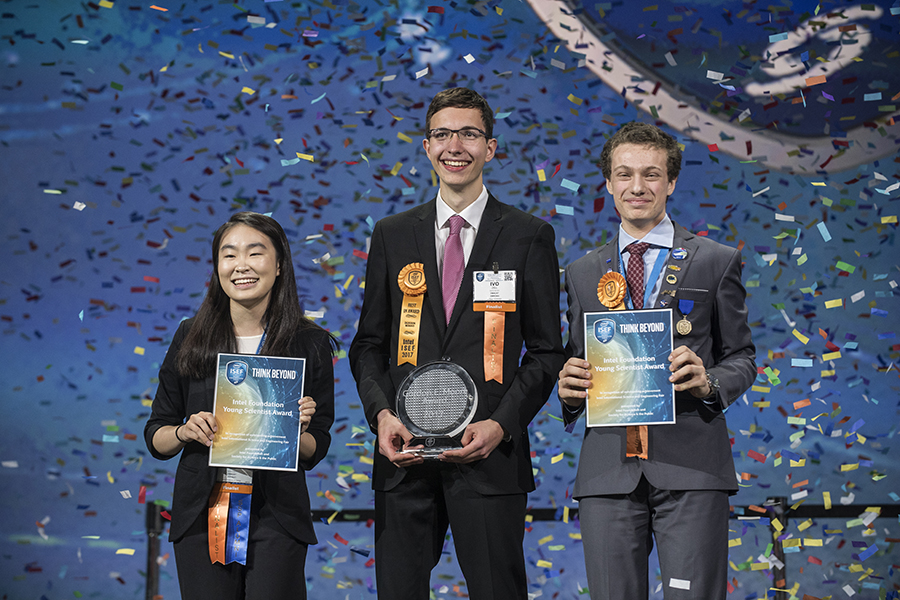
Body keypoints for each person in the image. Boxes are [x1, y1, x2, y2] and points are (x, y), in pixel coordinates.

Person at [349, 87, 565, 599]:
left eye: (469, 133)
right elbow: (368, 345)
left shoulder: (528, 236)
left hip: (489, 459)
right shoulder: (392, 234)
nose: (456, 145)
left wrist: (501, 424)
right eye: (442, 133)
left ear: (491, 148)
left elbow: (547, 351)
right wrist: (382, 416)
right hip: (404, 457)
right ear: (426, 147)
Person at [557, 122, 756, 599]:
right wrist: (567, 389)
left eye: (651, 174)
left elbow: (743, 356)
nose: (637, 187)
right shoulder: (583, 272)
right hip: (608, 470)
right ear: (608, 183)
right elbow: (578, 360)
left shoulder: (715, 260)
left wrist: (708, 381)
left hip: (691, 465)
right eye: (624, 174)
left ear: (671, 182)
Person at [144, 212, 336, 599]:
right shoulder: (190, 335)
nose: (241, 266)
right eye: (229, 255)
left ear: (279, 265)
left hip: (277, 515)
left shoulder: (309, 342)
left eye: (255, 253)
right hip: (202, 513)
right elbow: (157, 435)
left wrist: (292, 433)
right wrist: (184, 431)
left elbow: (317, 445)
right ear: (217, 267)